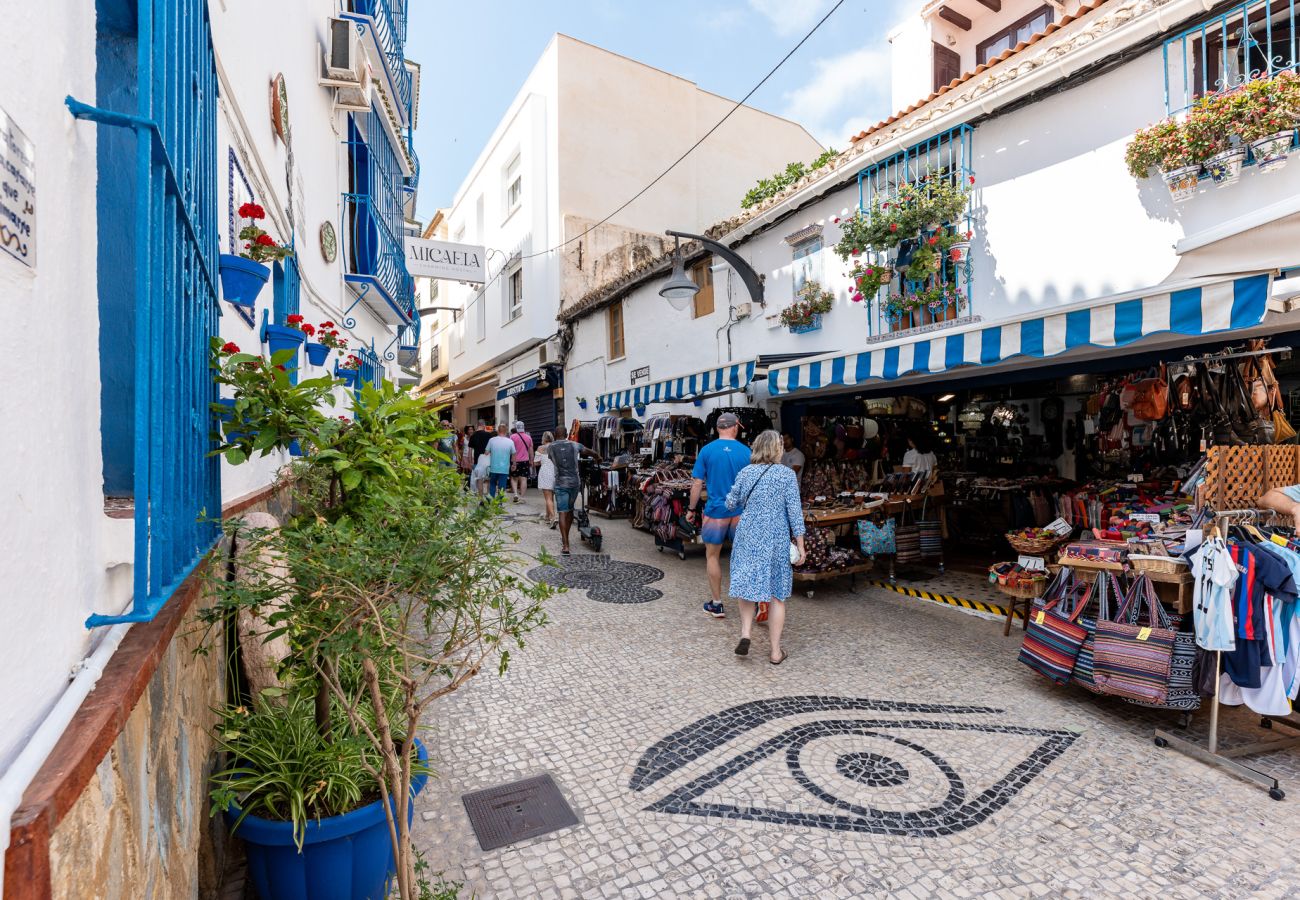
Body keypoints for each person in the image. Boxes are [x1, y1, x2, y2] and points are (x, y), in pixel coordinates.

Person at [724, 430, 806, 665]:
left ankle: (746, 633)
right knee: (777, 595)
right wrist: (800, 545)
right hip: (776, 538)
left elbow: (731, 504)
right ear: (777, 449)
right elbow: (794, 513)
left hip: (748, 536)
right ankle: (775, 652)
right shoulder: (786, 475)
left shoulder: (746, 472)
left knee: (747, 586)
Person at [686, 412, 752, 618]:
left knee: (712, 556)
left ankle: (717, 604)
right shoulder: (746, 451)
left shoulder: (706, 451)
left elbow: (697, 483)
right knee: (745, 557)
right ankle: (754, 603)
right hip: (741, 512)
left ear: (717, 429)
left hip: (715, 511)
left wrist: (690, 509)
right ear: (735, 427)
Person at [547, 432, 601, 554]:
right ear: (566, 434)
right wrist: (598, 457)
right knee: (570, 510)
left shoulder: (550, 447)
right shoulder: (575, 445)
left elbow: (551, 458)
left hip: (560, 484)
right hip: (574, 484)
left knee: (562, 512)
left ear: (555, 434)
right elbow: (590, 452)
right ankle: (566, 537)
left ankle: (565, 544)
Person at [486, 424, 516, 499]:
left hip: (493, 467)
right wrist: (514, 464)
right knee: (502, 487)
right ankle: (499, 503)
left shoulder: (491, 440)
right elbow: (514, 454)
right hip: (504, 468)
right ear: (506, 431)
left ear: (498, 431)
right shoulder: (510, 442)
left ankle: (490, 501)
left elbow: (486, 453)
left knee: (492, 484)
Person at [509, 422, 534, 503]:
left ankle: (516, 494)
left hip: (514, 461)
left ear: (516, 428)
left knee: (514, 478)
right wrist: (531, 460)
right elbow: (530, 450)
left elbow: (510, 450)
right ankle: (522, 497)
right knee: (523, 479)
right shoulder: (528, 437)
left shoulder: (512, 437)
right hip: (525, 461)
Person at [536, 431, 557, 526]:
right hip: (555, 472)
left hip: (545, 472)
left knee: (548, 498)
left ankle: (553, 517)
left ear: (544, 438)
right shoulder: (556, 446)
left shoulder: (540, 448)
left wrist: (543, 461)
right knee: (551, 496)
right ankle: (548, 517)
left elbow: (536, 462)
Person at [468, 421, 493, 496]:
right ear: (484, 425)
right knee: (488, 479)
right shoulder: (489, 435)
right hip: (488, 460)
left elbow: (470, 450)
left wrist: (470, 461)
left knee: (479, 480)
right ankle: (488, 496)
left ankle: (480, 497)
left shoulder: (473, 435)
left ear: (477, 426)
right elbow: (491, 449)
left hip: (477, 460)